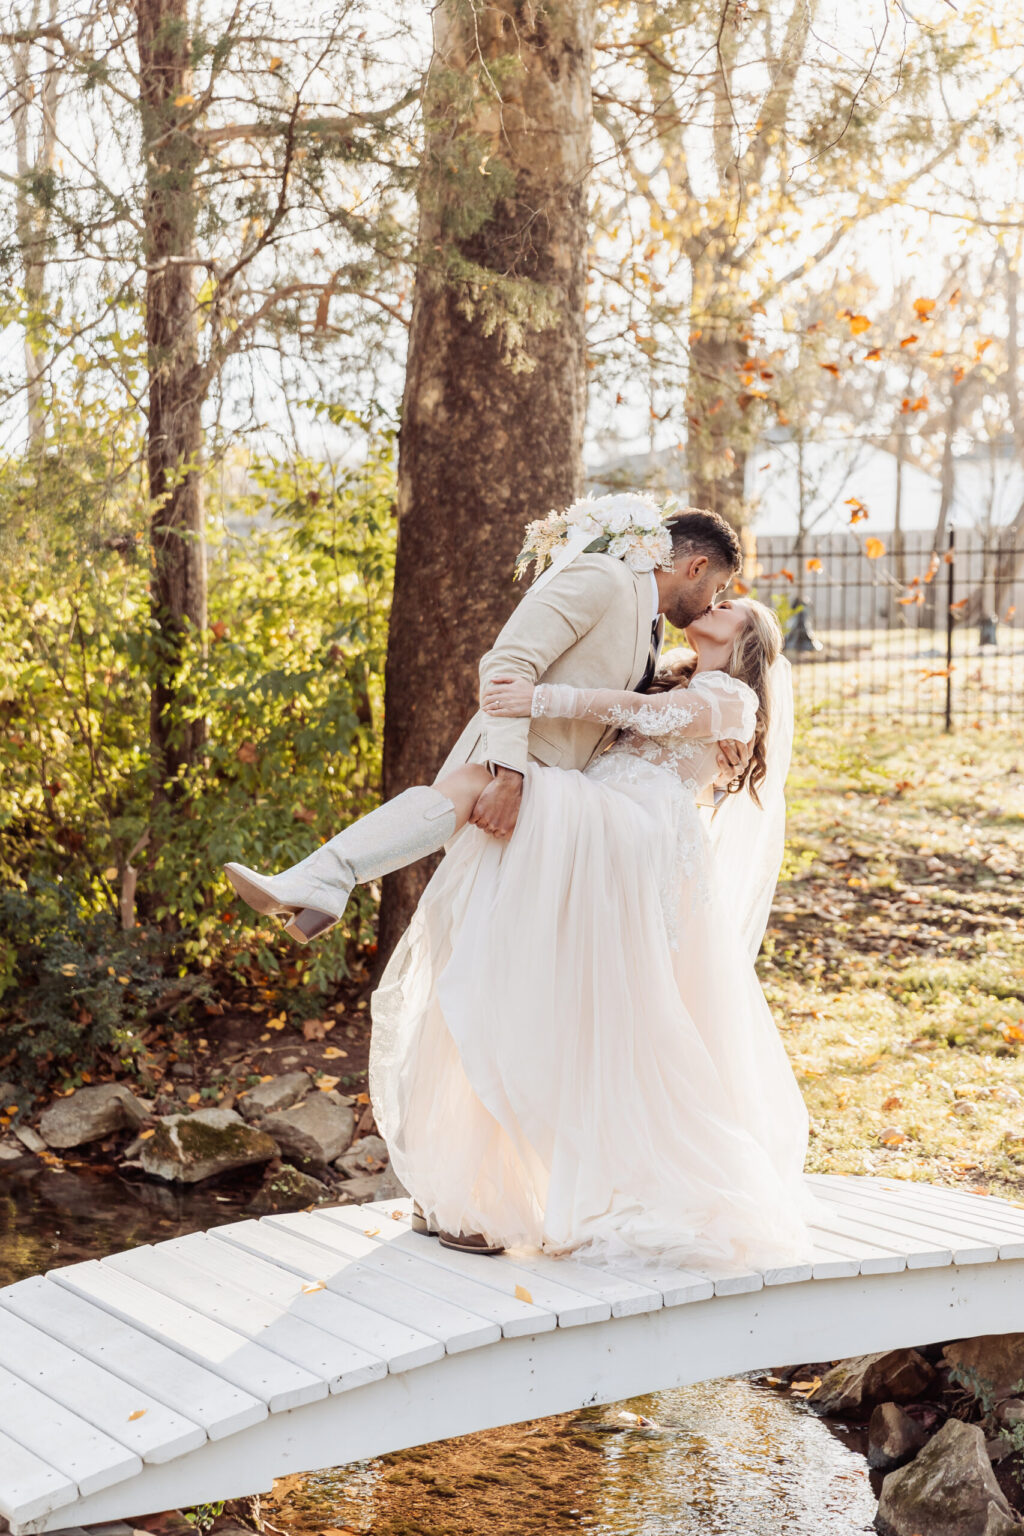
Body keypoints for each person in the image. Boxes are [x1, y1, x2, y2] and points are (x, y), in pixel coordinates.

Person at [365, 593, 820, 1270]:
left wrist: (535, 699)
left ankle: (342, 866)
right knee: (529, 986)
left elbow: (632, 713)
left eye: (733, 606)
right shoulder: (674, 671)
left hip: (630, 834)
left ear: (750, 637)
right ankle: (473, 1191)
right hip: (600, 827)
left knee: (497, 787)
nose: (715, 604)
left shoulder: (732, 700)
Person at [222, 500, 749, 941]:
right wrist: (510, 775)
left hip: (565, 800)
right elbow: (507, 665)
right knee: (474, 950)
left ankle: (324, 884)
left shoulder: (654, 626)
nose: (713, 603)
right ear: (696, 567)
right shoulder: (604, 577)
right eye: (719, 588)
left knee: (497, 953)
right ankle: (326, 879)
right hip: (516, 773)